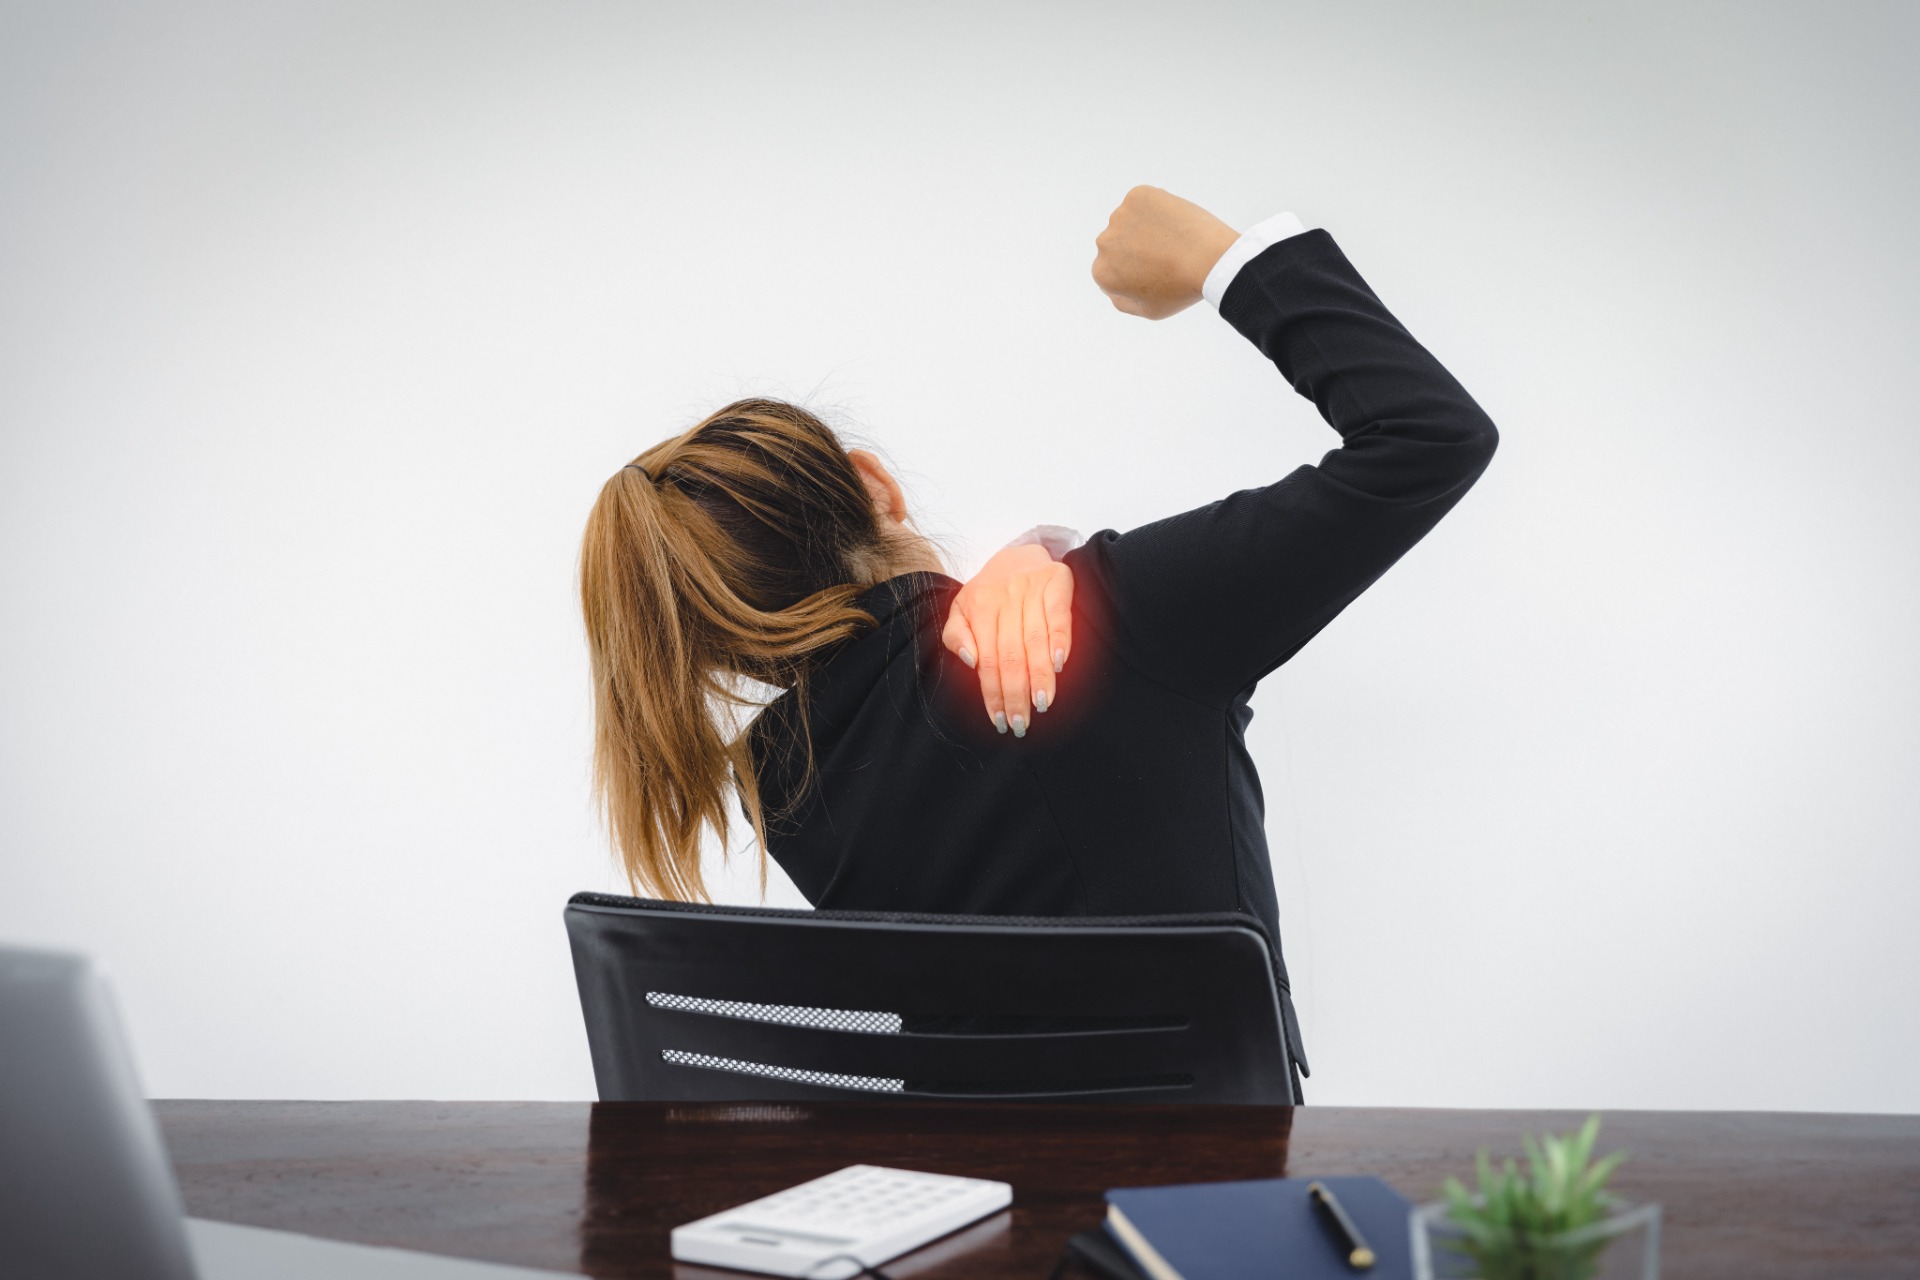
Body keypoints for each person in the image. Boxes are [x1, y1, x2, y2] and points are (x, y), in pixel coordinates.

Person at [578, 186, 1499, 1092]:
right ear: (876, 485)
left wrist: (1039, 549)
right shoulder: (1107, 620)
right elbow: (1428, 434)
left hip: (966, 1190)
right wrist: (1221, 261)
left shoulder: (782, 784)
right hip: (1220, 1178)